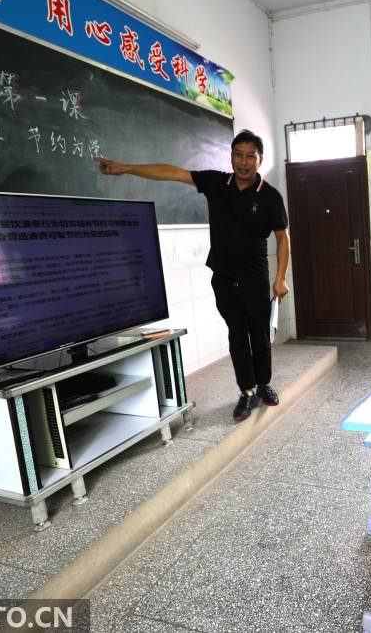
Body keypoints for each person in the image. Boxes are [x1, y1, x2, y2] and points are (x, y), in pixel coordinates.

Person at [97, 130, 289, 423]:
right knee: (237, 336)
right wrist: (126, 168)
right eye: (238, 154)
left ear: (260, 159)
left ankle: (264, 384)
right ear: (231, 156)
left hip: (255, 278)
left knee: (260, 337)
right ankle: (247, 392)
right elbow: (172, 173)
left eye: (251, 155)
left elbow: (282, 238)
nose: (244, 161)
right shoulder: (216, 182)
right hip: (223, 278)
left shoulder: (270, 197)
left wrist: (280, 278)